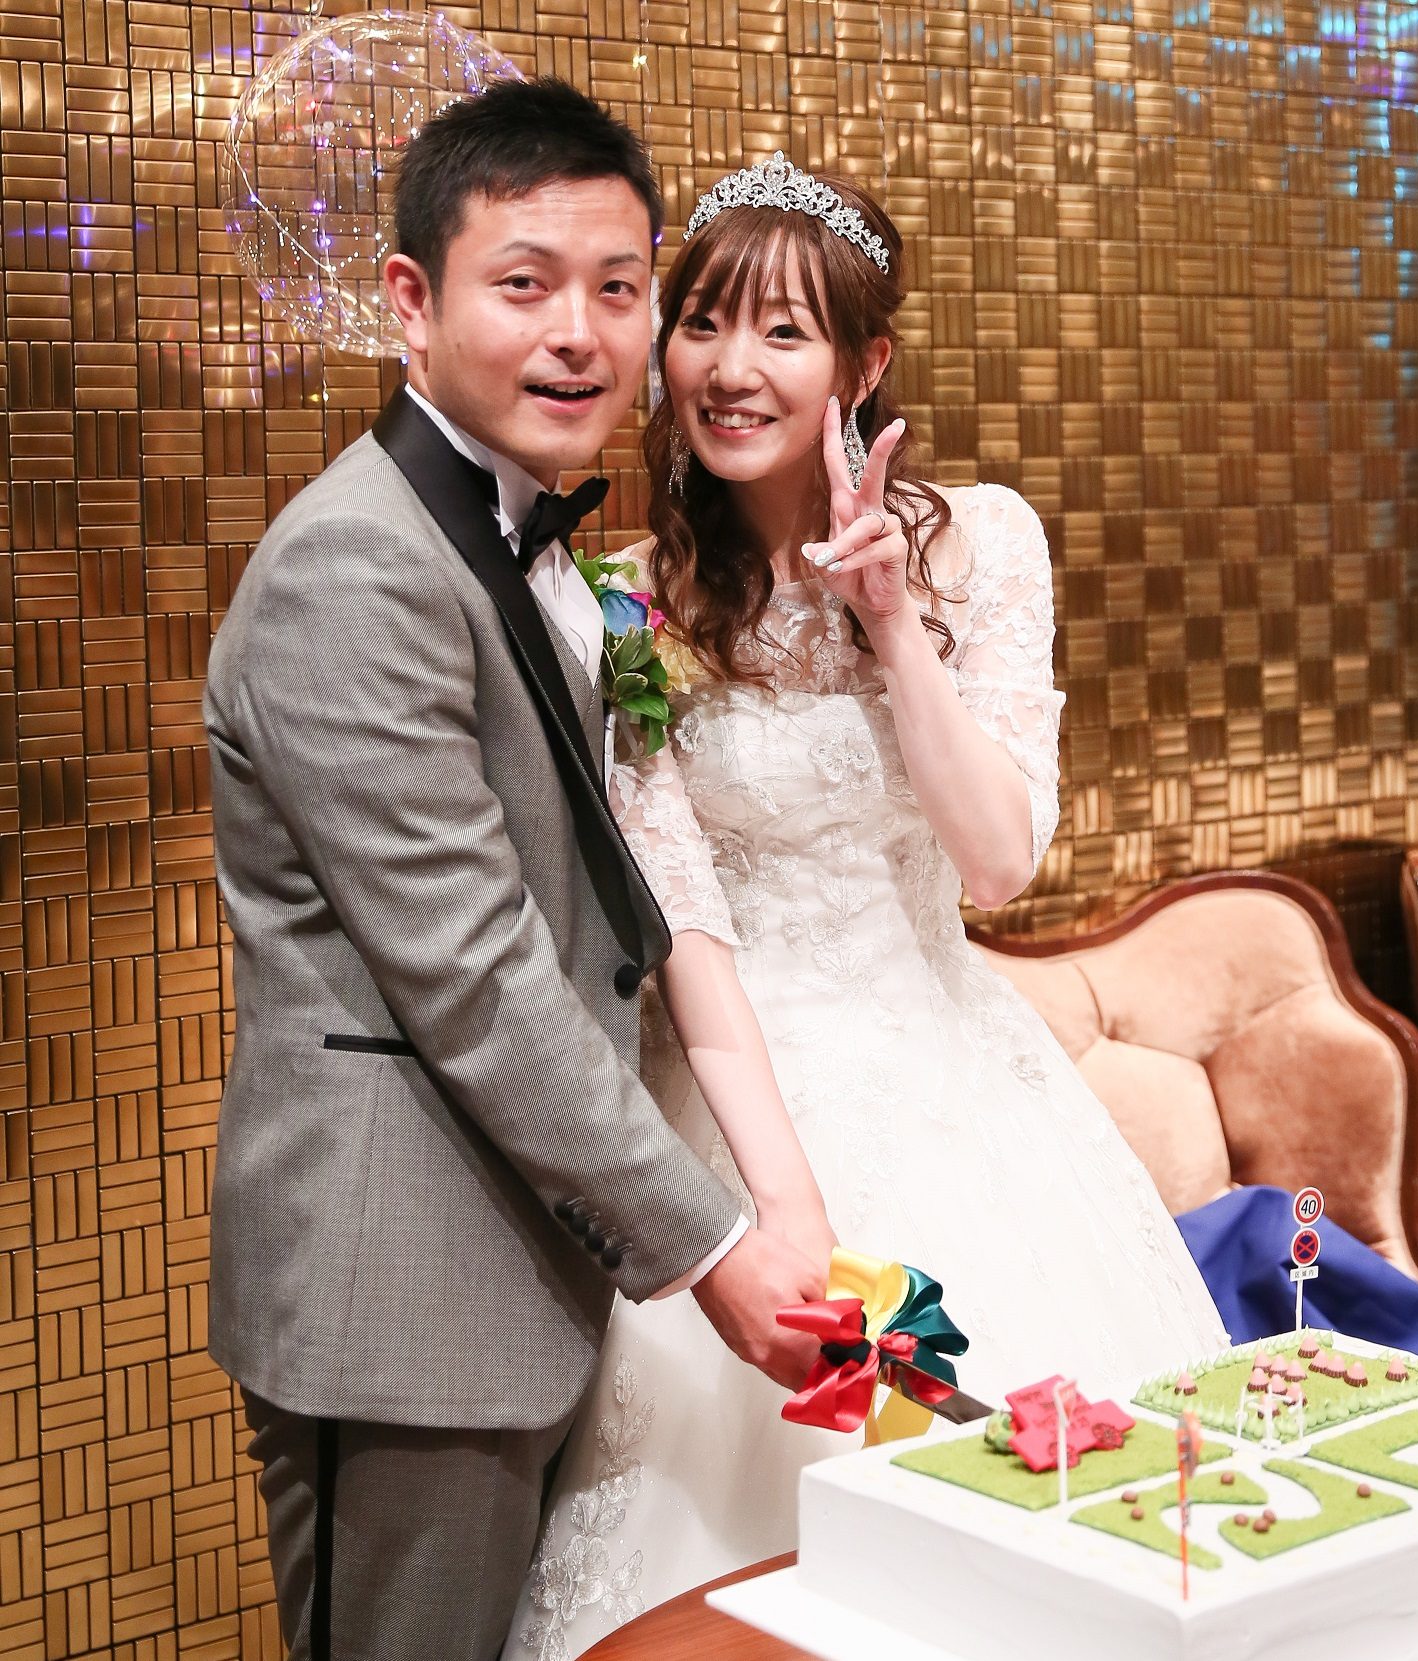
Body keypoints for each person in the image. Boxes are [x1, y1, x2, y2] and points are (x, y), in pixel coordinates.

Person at [507, 154, 1227, 1660]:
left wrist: (893, 624)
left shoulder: (980, 541)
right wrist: (784, 1210)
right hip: (731, 1103)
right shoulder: (623, 598)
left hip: (959, 1077)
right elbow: (684, 920)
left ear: (864, 362)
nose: (731, 368)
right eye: (703, 323)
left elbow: (998, 863)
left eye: (783, 332)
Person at [203, 82, 828, 1661]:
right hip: (400, 1292)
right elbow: (474, 972)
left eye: (617, 288)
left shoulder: (519, 548)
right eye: (524, 283)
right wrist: (711, 1247)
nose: (578, 334)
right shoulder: (356, 563)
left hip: (516, 1267)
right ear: (412, 302)